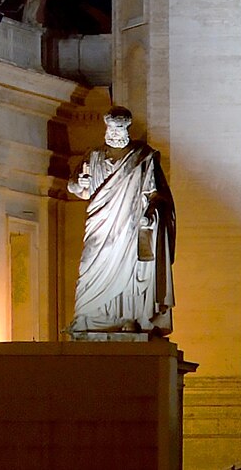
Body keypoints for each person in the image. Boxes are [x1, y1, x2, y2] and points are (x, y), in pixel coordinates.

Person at [70, 108, 177, 336]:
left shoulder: (142, 156)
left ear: (126, 129)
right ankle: (88, 316)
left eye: (120, 128)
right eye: (112, 128)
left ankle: (128, 317)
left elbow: (158, 193)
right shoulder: (94, 155)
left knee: (129, 270)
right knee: (89, 265)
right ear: (106, 128)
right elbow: (76, 188)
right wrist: (81, 182)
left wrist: (151, 211)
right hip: (100, 223)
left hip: (129, 225)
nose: (115, 133)